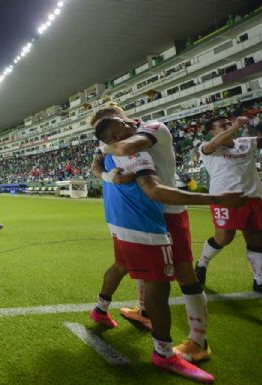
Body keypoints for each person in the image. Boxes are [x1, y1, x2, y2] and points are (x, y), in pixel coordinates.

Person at [92, 117, 245, 383]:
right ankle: (165, 352)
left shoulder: (113, 151)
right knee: (159, 284)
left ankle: (102, 310)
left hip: (119, 222)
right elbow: (155, 190)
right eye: (122, 124)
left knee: (130, 270)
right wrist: (217, 199)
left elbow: (99, 163)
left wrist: (108, 169)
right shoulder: (135, 149)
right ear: (116, 136)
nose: (130, 123)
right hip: (145, 224)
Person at [195, 116, 262, 292]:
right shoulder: (206, 147)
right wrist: (237, 126)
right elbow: (215, 143)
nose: (228, 126)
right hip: (225, 199)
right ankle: (202, 262)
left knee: (256, 237)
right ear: (212, 131)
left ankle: (259, 279)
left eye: (229, 124)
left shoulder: (245, 143)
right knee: (224, 237)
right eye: (223, 126)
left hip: (253, 197)